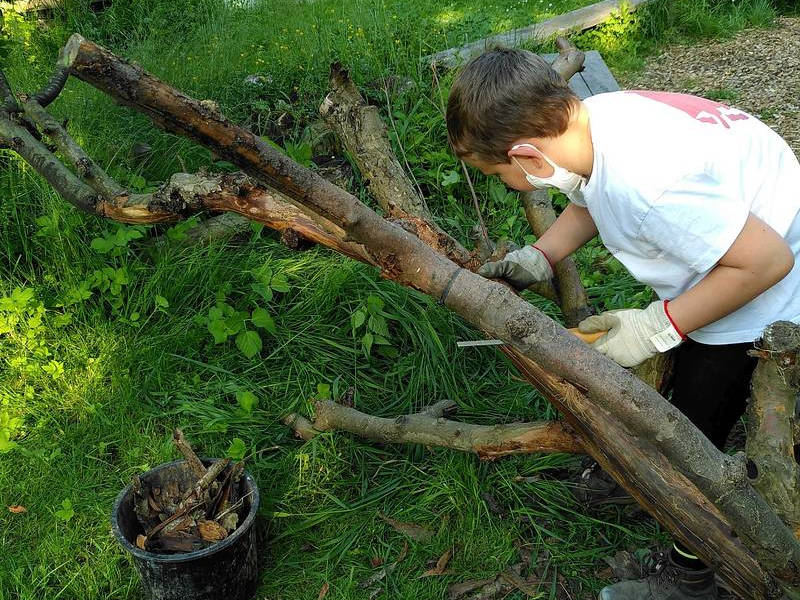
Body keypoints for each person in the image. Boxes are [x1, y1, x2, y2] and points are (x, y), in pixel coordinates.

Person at [446, 47, 800, 600]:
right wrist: (542, 254)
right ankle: (641, 479)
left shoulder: (648, 185)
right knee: (686, 383)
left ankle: (692, 574)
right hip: (737, 243)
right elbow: (589, 196)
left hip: (765, 288)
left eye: (499, 174)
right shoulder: (591, 121)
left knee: (698, 431)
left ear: (528, 157)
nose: (507, 184)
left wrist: (657, 327)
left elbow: (765, 262)